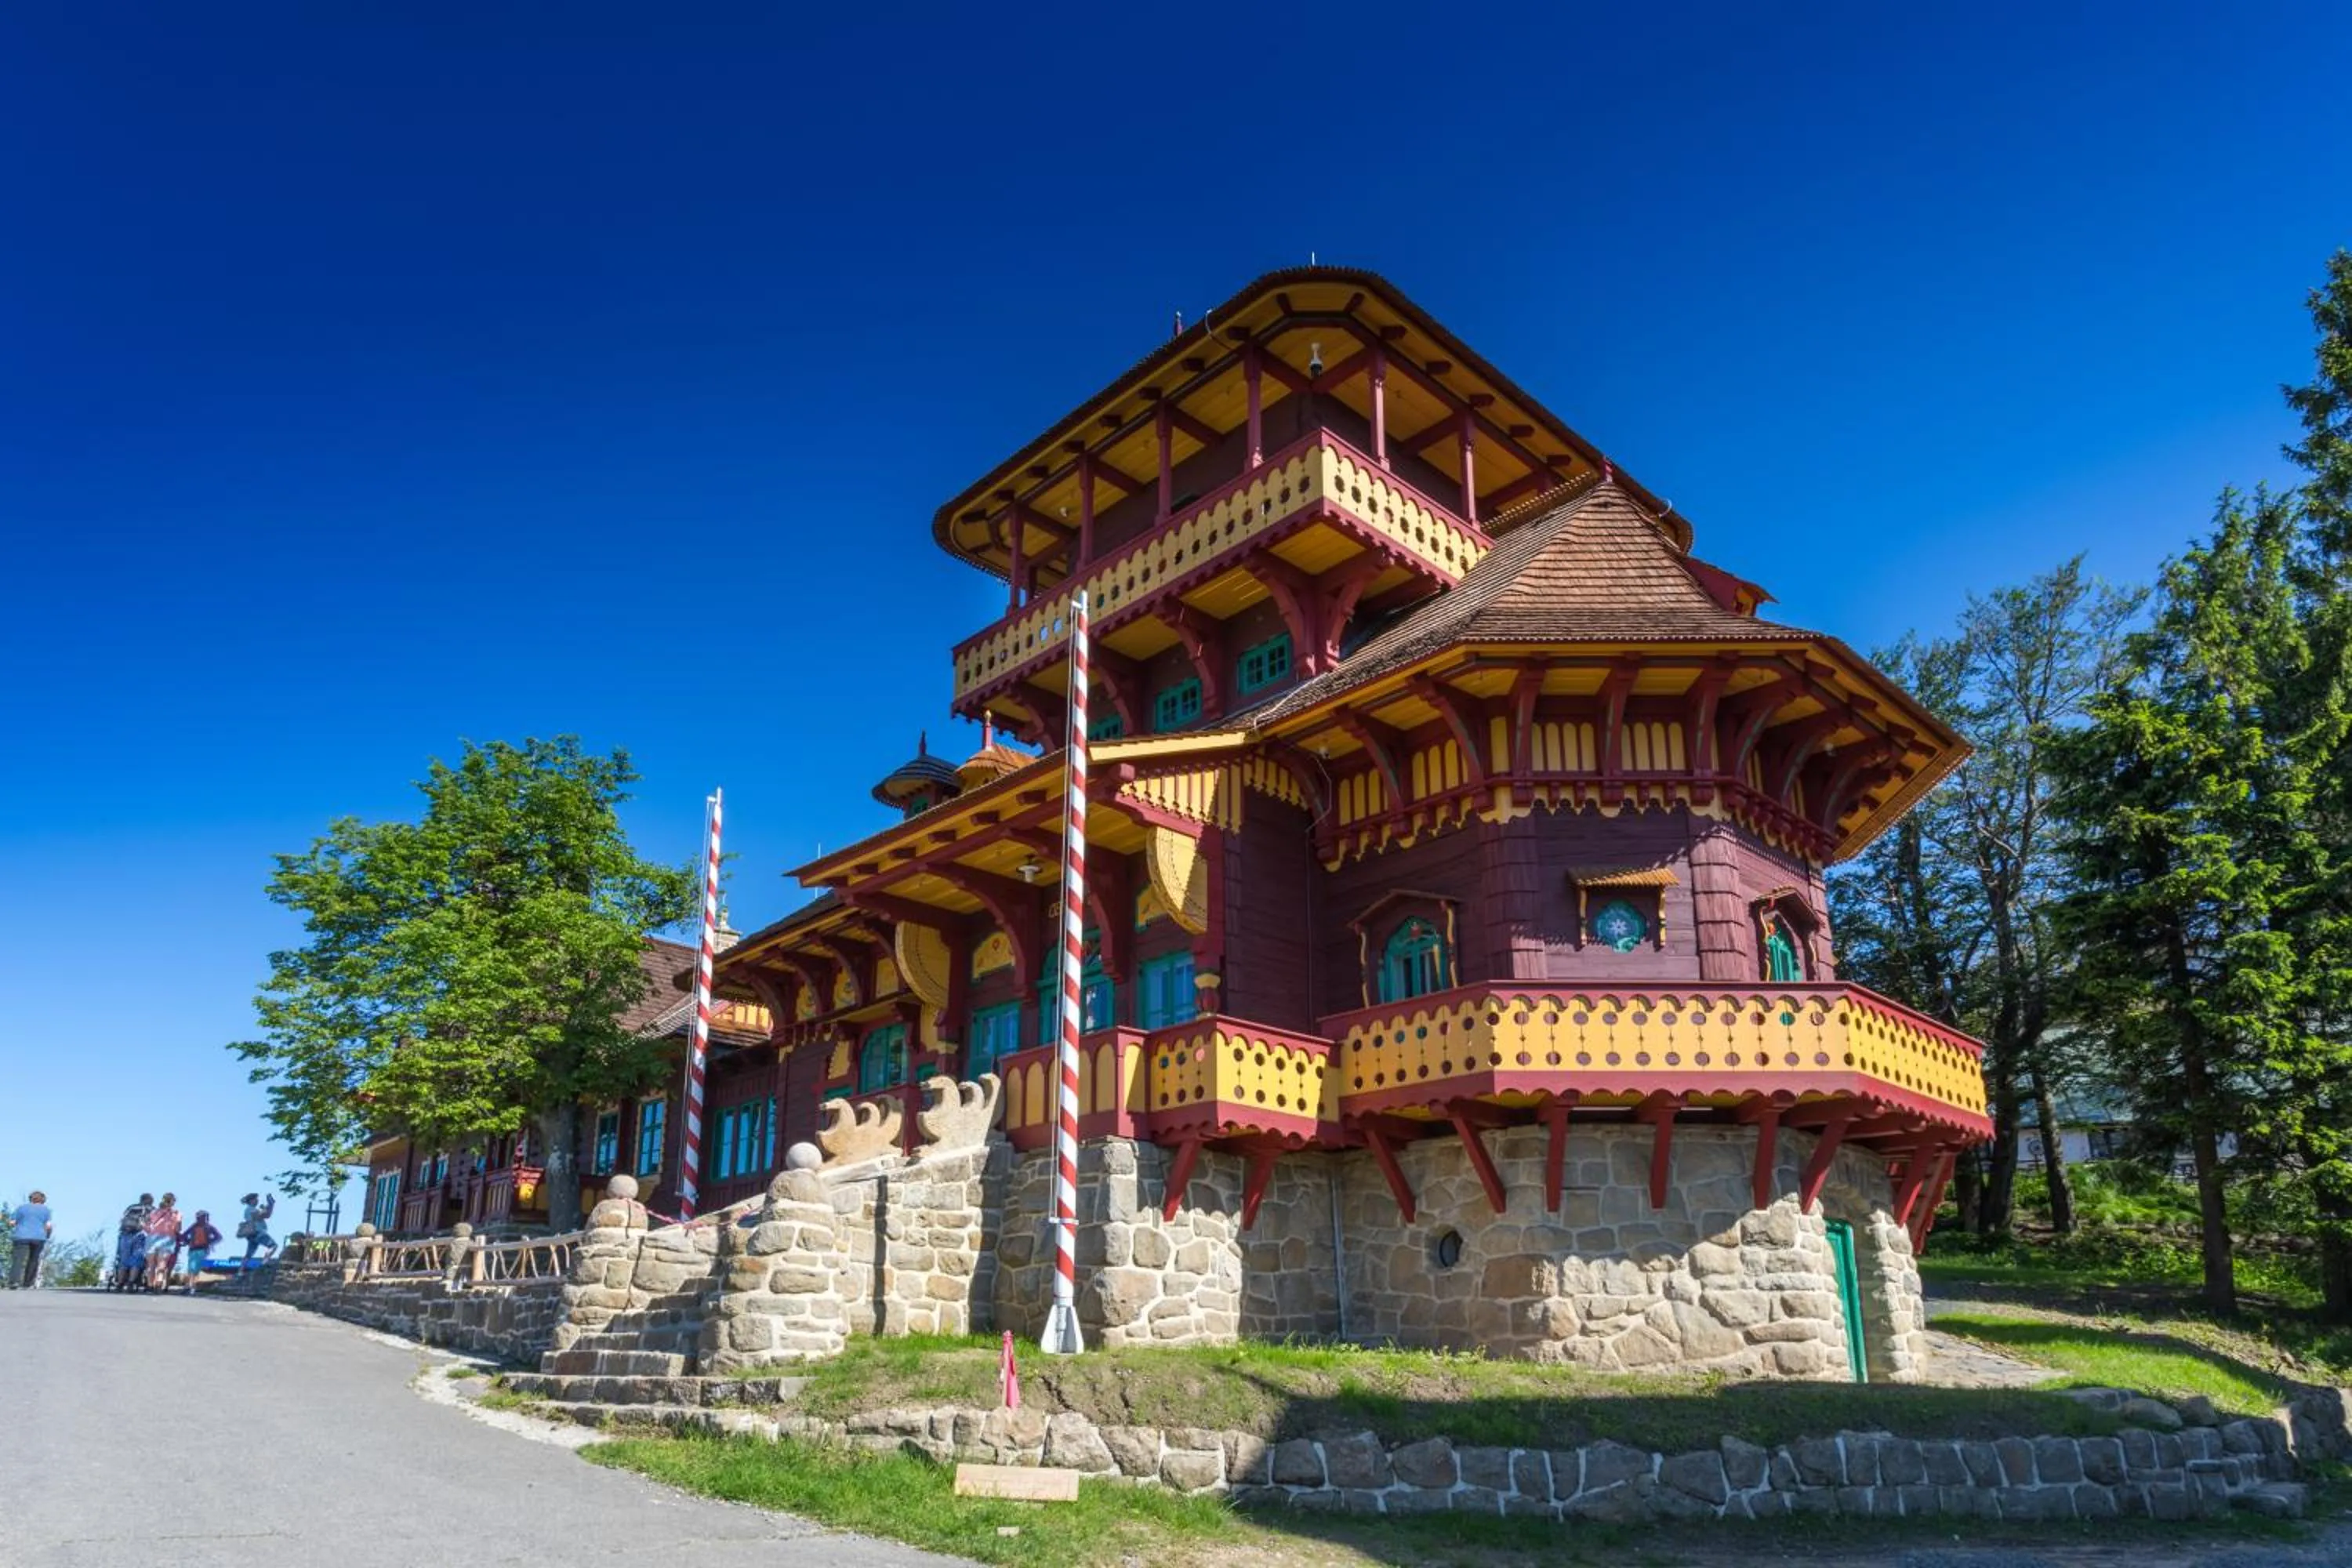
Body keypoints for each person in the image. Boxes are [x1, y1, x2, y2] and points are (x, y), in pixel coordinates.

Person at [9, 1192, 53, 1288]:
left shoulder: (21, 1208)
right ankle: (27, 1283)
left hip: (21, 1236)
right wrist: (48, 1235)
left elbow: (12, 1222)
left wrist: (20, 1224)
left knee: (18, 1259)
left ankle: (14, 1282)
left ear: (31, 1199)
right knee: (34, 1259)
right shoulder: (46, 1210)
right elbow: (48, 1226)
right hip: (39, 1237)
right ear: (43, 1200)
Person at [113, 1192, 155, 1291]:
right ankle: (131, 1283)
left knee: (123, 1259)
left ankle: (120, 1283)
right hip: (140, 1235)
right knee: (136, 1260)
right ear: (150, 1200)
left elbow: (121, 1220)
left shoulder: (132, 1207)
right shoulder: (152, 1209)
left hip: (125, 1234)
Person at [143, 1193, 182, 1291]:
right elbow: (178, 1229)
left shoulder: (154, 1212)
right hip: (167, 1239)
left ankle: (151, 1286)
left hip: (152, 1239)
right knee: (162, 1264)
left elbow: (147, 1228)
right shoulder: (176, 1213)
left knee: (151, 1264)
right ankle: (158, 1285)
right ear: (173, 1202)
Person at [180, 1210, 220, 1293]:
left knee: (196, 1268)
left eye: (201, 1217)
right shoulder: (194, 1226)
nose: (199, 1219)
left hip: (202, 1250)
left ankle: (192, 1286)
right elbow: (184, 1235)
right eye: (198, 1217)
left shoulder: (209, 1227)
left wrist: (209, 1242)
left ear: (205, 1218)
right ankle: (189, 1285)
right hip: (193, 1249)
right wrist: (188, 1242)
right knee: (191, 1268)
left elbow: (218, 1237)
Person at [238, 1192, 277, 1272]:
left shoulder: (250, 1209)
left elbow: (266, 1215)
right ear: (251, 1200)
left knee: (249, 1255)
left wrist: (269, 1207)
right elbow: (265, 1215)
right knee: (273, 1246)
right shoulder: (250, 1209)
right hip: (258, 1233)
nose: (257, 1201)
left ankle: (240, 1272)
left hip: (252, 1235)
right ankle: (264, 1263)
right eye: (256, 1199)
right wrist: (270, 1205)